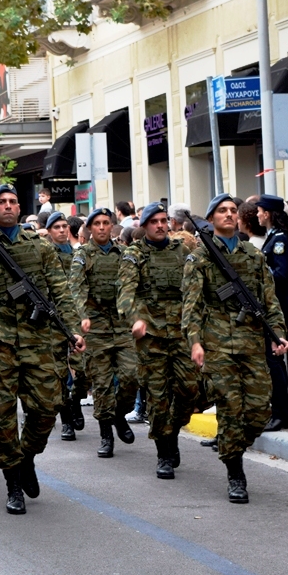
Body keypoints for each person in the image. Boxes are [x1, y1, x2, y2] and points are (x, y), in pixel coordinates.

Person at [0, 183, 85, 515]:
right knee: (2, 418)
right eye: (3, 203)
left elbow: (60, 290)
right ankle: (13, 482)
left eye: (14, 201)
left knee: (47, 408)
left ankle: (26, 457)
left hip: (38, 340)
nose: (10, 207)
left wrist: (72, 330)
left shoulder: (40, 247)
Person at [182, 194, 288, 503]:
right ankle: (235, 473)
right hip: (218, 346)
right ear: (212, 218)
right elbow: (190, 307)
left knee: (257, 412)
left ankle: (234, 447)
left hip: (252, 343)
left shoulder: (253, 257)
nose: (228, 215)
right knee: (230, 408)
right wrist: (195, 342)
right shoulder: (199, 259)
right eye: (221, 211)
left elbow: (269, 300)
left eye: (232, 210)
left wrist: (277, 334)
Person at [118, 202, 204, 479]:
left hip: (181, 331)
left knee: (189, 389)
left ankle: (173, 431)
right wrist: (135, 319)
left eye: (162, 220)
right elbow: (126, 292)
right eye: (153, 221)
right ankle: (164, 451)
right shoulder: (133, 254)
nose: (159, 225)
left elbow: (197, 286)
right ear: (144, 226)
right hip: (151, 335)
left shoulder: (183, 251)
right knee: (157, 396)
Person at [70, 208, 137, 458]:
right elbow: (75, 288)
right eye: (96, 223)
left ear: (112, 226)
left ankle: (120, 414)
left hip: (121, 325)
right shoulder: (83, 255)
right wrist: (82, 315)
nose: (101, 227)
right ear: (89, 228)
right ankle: (106, 434)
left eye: (105, 223)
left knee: (132, 376)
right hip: (95, 327)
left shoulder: (125, 254)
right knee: (102, 383)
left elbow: (134, 285)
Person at [256, 194, 288, 431]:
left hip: (279, 308)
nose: (258, 215)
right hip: (273, 307)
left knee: (275, 361)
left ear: (269, 213)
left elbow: (281, 275)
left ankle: (282, 414)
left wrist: (257, 275)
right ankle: (279, 412)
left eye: (261, 211)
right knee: (273, 362)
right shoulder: (272, 236)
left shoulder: (281, 238)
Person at [45, 211, 86, 440]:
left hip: (78, 318)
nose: (61, 230)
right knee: (60, 373)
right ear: (50, 232)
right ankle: (66, 418)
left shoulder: (80, 255)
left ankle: (76, 401)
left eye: (63, 226)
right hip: (54, 321)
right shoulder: (45, 255)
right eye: (56, 227)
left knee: (83, 370)